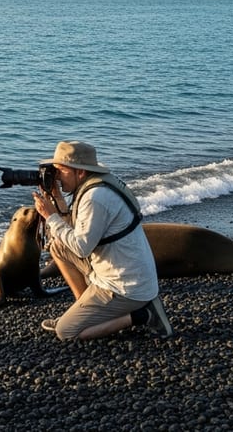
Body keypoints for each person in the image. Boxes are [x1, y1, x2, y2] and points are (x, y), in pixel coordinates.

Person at [32, 140, 172, 340]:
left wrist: (51, 217)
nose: (56, 177)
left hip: (125, 287)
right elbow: (73, 234)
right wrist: (58, 200)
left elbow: (81, 248)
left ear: (80, 172)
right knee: (59, 247)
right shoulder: (96, 184)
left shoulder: (95, 197)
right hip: (128, 274)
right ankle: (85, 311)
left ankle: (143, 315)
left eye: (60, 171)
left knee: (66, 332)